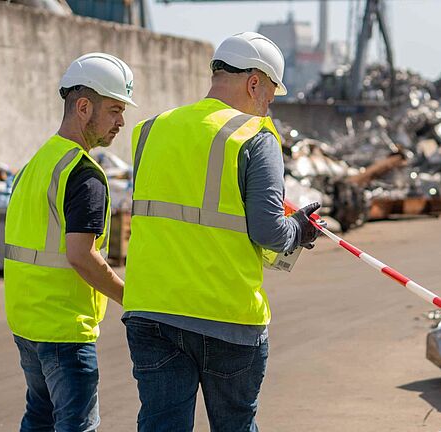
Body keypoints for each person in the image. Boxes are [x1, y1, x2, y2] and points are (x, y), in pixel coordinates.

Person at [122, 32, 322, 432]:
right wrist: (298, 229)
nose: (268, 105)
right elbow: (268, 231)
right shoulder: (255, 137)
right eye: (269, 94)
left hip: (150, 311)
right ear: (253, 83)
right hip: (225, 317)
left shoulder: (150, 130)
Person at [4, 52, 136, 431]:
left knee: (40, 418)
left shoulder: (37, 163)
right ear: (83, 107)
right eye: (113, 110)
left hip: (27, 321)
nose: (121, 122)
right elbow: (82, 255)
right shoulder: (83, 173)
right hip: (63, 327)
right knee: (76, 425)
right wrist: (129, 295)